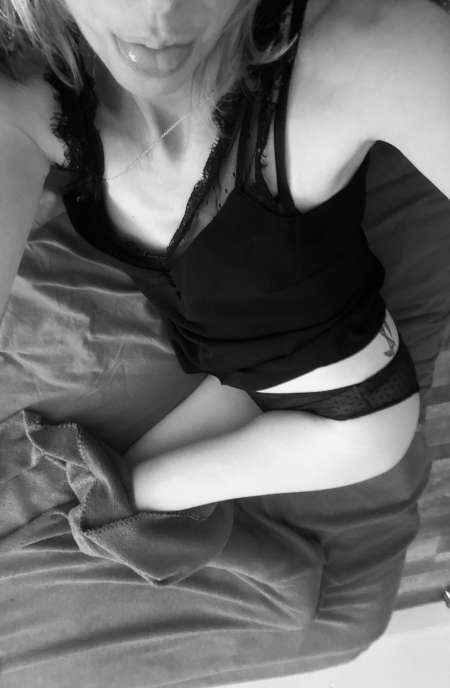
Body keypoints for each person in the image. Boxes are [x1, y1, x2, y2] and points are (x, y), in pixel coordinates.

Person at [0, 0, 448, 516]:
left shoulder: (364, 46)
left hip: (355, 419)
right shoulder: (26, 93)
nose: (159, 12)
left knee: (120, 504)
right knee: (95, 493)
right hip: (234, 382)